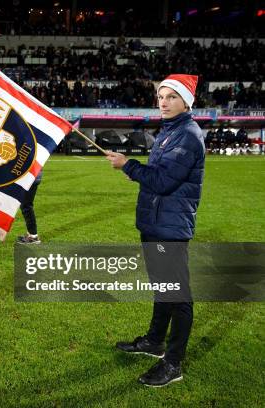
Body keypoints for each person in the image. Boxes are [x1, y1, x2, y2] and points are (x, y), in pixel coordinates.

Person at [106, 74, 205, 387]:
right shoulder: (170, 131)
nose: (163, 102)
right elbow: (158, 176)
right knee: (164, 289)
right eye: (161, 96)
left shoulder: (187, 134)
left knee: (178, 296)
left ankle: (173, 362)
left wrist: (129, 166)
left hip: (170, 229)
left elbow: (164, 182)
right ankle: (154, 341)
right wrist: (137, 172)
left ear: (185, 101)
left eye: (171, 97)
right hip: (156, 224)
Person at [16, 170, 42, 244]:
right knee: (26, 205)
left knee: (26, 206)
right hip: (33, 176)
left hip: (30, 177)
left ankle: (33, 236)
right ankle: (31, 234)